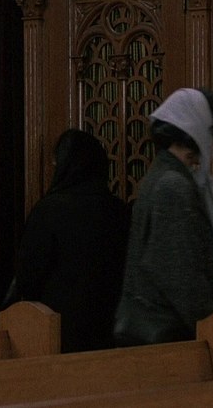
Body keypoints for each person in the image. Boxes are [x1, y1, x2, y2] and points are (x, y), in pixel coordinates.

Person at [114, 88, 213, 346]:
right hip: (167, 334)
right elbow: (179, 275)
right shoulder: (174, 185)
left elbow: (167, 253)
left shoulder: (162, 174)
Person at [9, 129, 129, 353]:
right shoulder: (119, 211)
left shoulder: (48, 210)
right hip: (110, 334)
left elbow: (28, 278)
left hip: (58, 334)